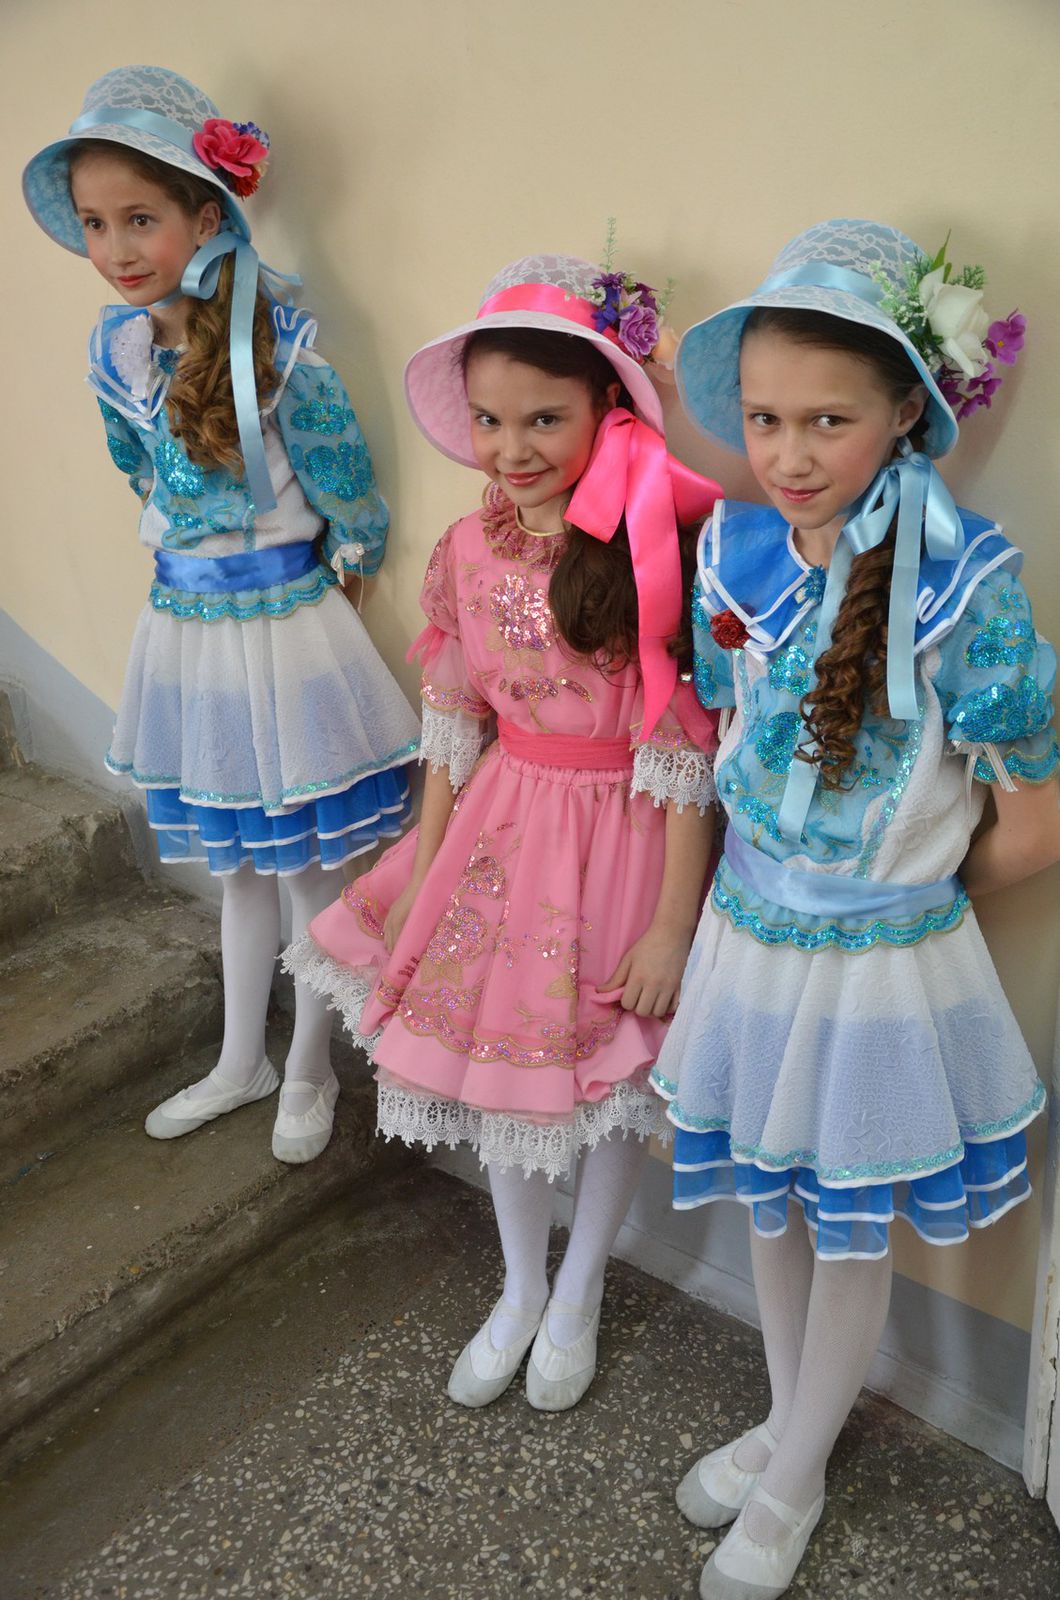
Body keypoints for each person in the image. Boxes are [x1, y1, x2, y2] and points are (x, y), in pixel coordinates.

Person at [651, 217, 1060, 1600]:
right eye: (766, 419)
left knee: (844, 1219)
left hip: (878, 955)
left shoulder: (964, 582)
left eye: (829, 419)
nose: (789, 453)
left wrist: (900, 904)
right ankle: (792, 1428)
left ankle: (796, 1477)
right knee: (771, 1202)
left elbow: (1035, 823)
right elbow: (725, 738)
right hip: (748, 933)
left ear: (905, 412)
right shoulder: (735, 552)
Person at [284, 253, 721, 1408]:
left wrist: (673, 923)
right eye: (489, 419)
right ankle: (522, 1283)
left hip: (625, 838)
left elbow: (684, 747)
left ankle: (580, 1285)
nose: (512, 445)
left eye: (543, 419)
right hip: (502, 829)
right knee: (497, 1072)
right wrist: (426, 867)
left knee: (610, 1071)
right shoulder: (465, 550)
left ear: (606, 409)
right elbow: (453, 725)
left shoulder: (648, 548)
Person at [23, 66, 420, 1164]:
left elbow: (352, 505)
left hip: (285, 636)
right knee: (238, 867)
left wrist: (313, 600)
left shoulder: (282, 352)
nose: (116, 246)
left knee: (308, 871)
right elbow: (136, 468)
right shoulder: (115, 351)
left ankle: (311, 1066)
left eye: (140, 218)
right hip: (186, 636)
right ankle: (242, 1058)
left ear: (205, 217)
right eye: (96, 223)